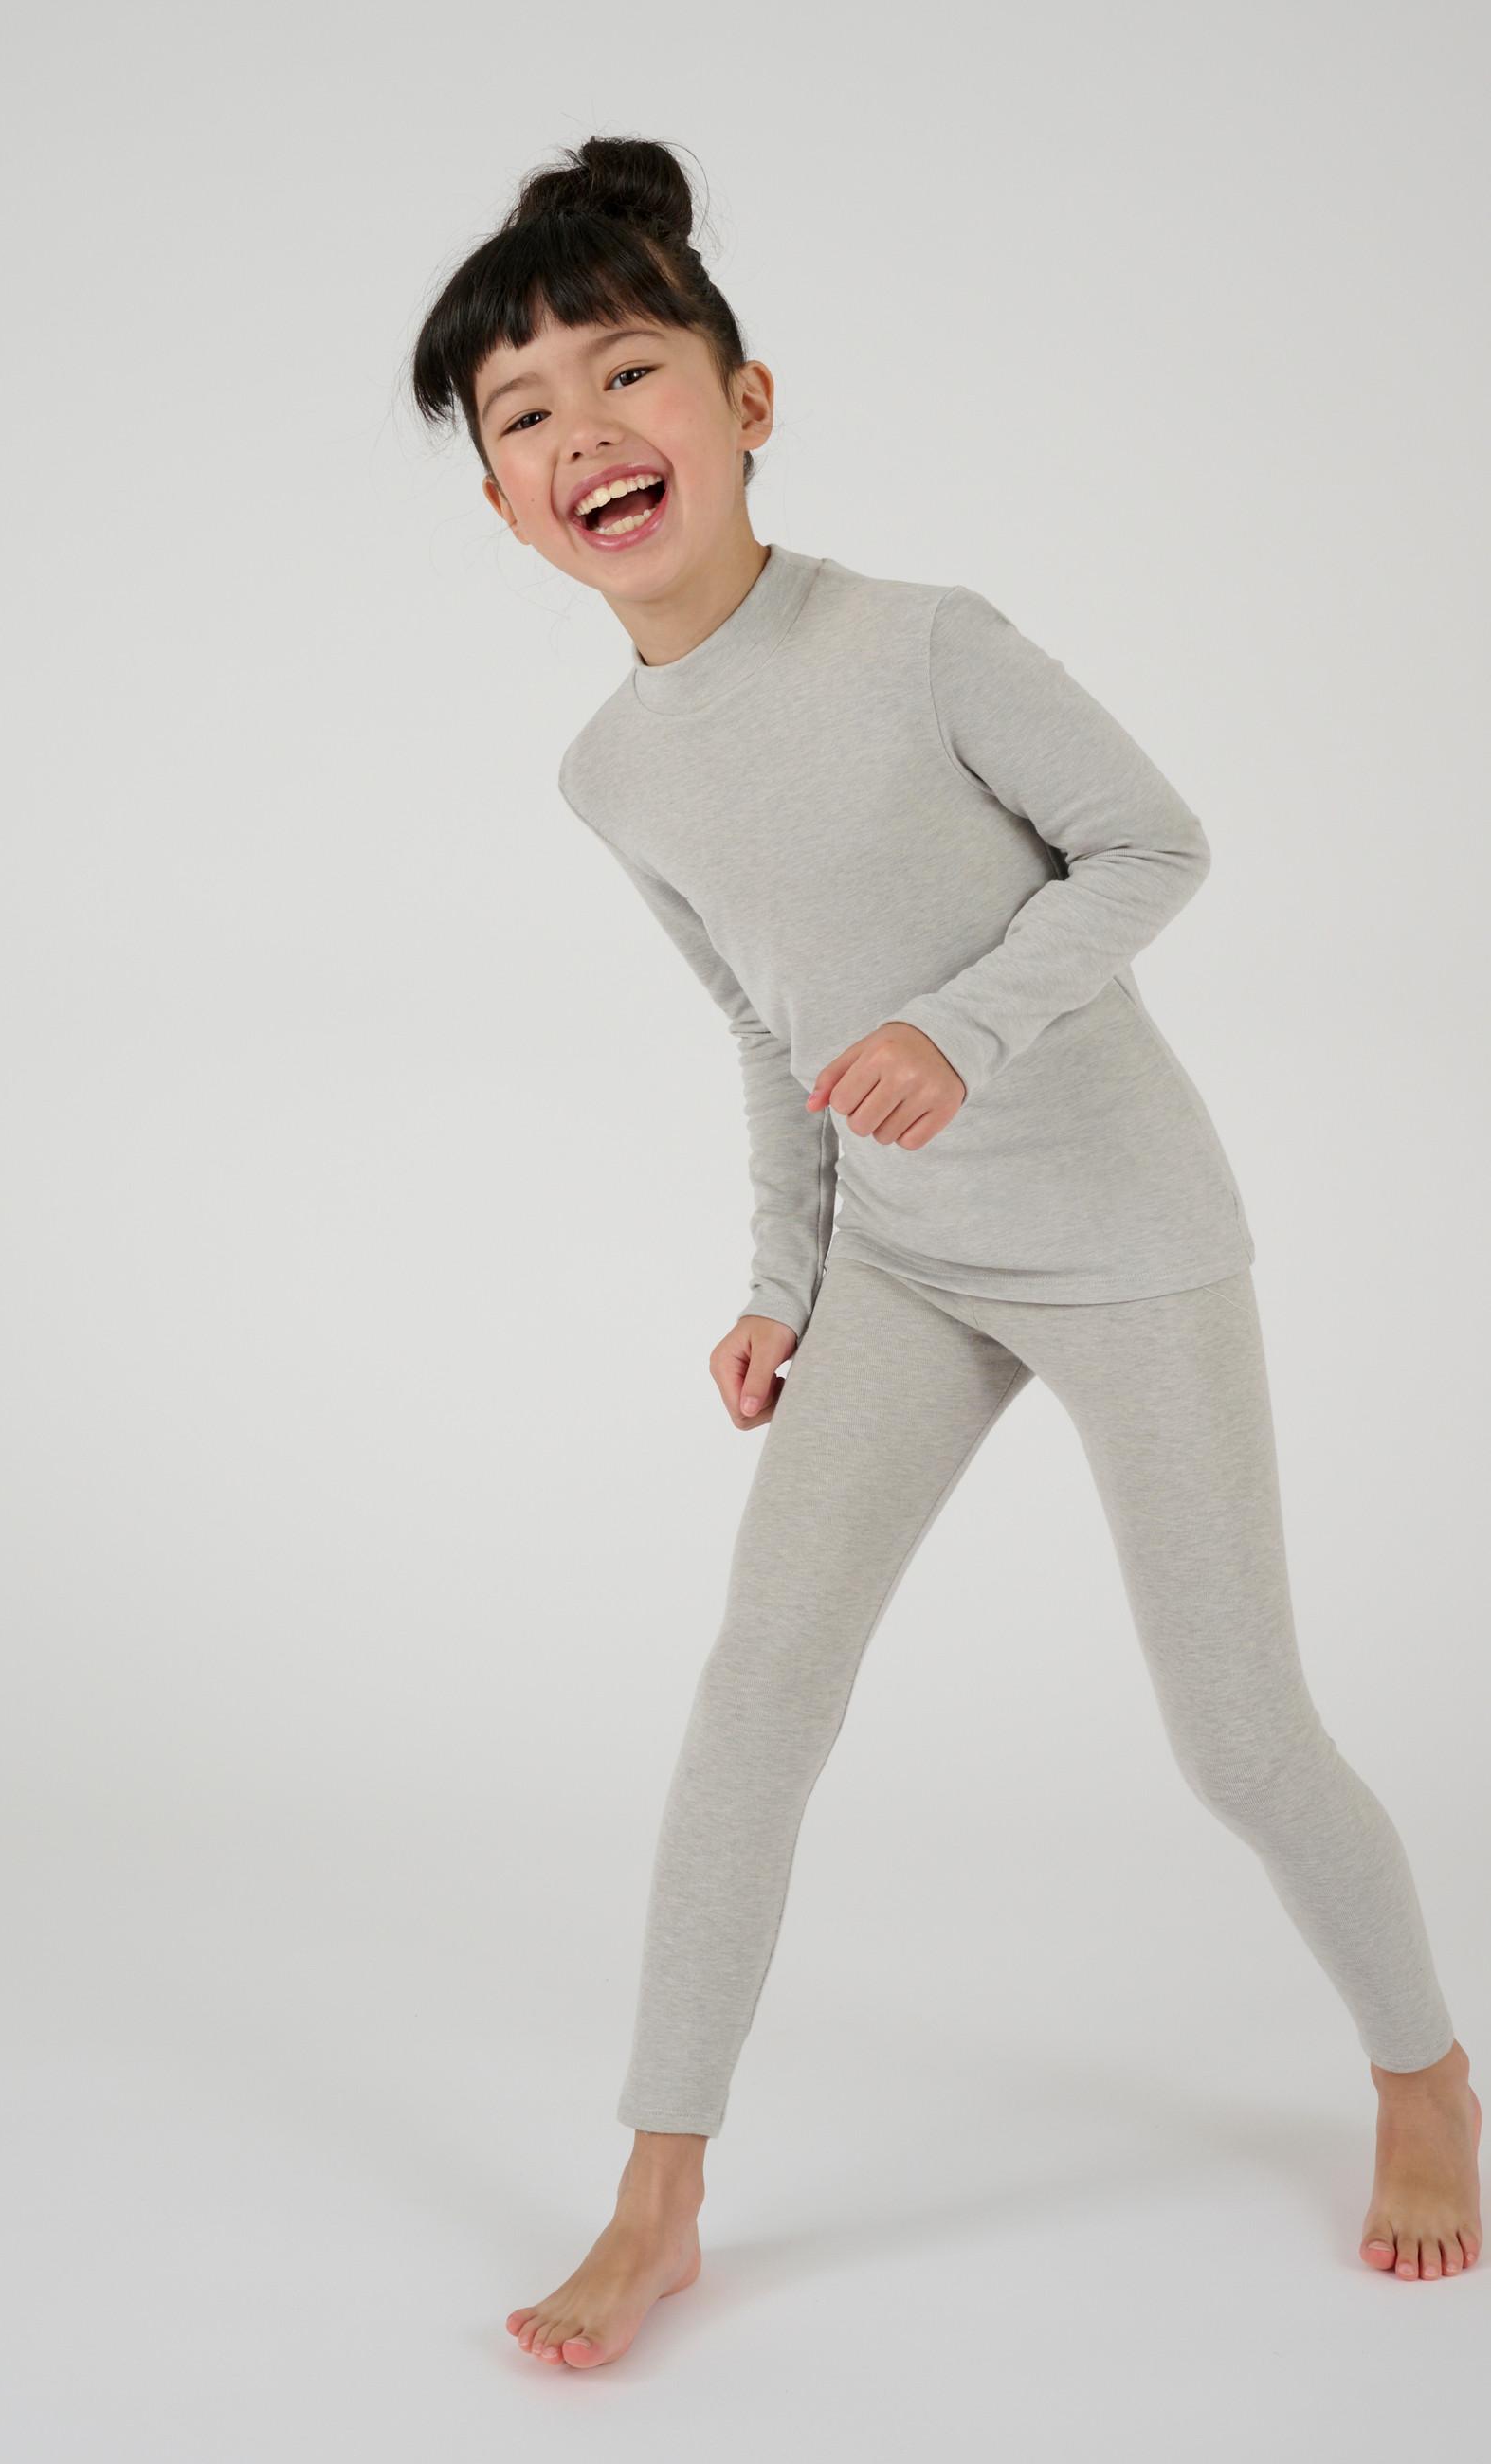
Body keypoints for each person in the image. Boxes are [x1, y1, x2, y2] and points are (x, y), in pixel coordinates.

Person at [409, 134, 1482, 2367]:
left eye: (630, 371)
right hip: (899, 1265)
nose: (588, 430)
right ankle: (660, 2191)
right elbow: (763, 1024)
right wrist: (780, 1280)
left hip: (1125, 1238)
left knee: (1238, 1732)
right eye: (526, 413)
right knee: (756, 1698)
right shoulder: (612, 771)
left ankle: (1423, 2074)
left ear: (746, 402)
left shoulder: (920, 642)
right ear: (504, 507)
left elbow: (1151, 846)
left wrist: (960, 1030)